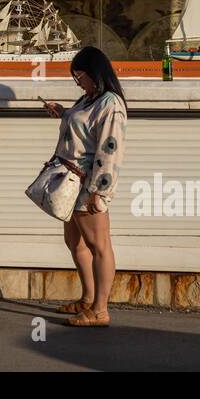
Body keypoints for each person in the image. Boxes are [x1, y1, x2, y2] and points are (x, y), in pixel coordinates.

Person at [43, 46, 127, 327]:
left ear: (95, 73)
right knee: (75, 242)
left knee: (98, 245)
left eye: (80, 75)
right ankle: (88, 299)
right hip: (70, 182)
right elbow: (85, 131)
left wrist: (98, 190)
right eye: (75, 76)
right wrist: (64, 113)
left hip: (88, 183)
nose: (77, 81)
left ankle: (100, 310)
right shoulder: (88, 99)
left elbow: (109, 149)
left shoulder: (110, 104)